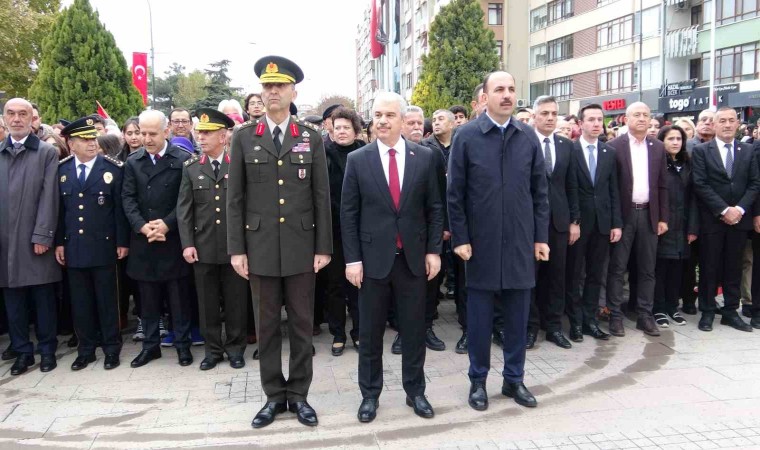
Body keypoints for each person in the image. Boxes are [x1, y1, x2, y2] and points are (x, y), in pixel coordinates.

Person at [227, 56, 332, 429]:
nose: (273, 91)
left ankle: (299, 395)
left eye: (280, 86)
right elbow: (235, 198)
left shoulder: (310, 136)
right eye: (267, 86)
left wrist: (323, 247)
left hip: (302, 246)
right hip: (260, 247)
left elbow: (321, 196)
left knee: (302, 325)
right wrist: (237, 250)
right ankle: (273, 396)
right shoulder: (244, 137)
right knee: (267, 326)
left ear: (293, 93)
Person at [448, 72, 550, 412]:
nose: (506, 95)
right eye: (499, 89)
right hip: (481, 244)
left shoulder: (527, 136)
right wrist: (460, 237)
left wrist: (540, 237)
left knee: (518, 318)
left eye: (511, 89)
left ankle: (514, 379)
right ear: (485, 97)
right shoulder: (467, 136)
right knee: (480, 320)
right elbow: (455, 193)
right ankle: (478, 381)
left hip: (520, 242)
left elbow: (540, 192)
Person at [341, 91, 443, 422]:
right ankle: (370, 395)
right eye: (377, 115)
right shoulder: (358, 160)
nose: (382, 121)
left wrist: (433, 251)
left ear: (402, 119)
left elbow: (434, 209)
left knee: (413, 331)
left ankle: (416, 391)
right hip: (372, 262)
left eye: (389, 115)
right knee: (370, 333)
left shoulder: (424, 157)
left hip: (412, 261)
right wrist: (352, 260)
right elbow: (348, 214)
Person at [55, 117, 129, 370]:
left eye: (93, 138)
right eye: (84, 139)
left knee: (107, 301)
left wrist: (122, 241)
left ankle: (111, 348)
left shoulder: (112, 169)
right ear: (71, 144)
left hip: (104, 246)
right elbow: (59, 212)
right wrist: (59, 243)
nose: (91, 143)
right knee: (80, 302)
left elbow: (119, 210)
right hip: (74, 246)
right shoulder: (62, 170)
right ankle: (85, 349)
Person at [177, 108, 248, 370]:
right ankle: (213, 350)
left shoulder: (238, 165)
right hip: (204, 246)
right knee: (207, 303)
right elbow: (184, 210)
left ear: (223, 136)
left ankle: (236, 348)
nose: (201, 138)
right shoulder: (192, 168)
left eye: (207, 133)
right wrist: (187, 243)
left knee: (236, 301)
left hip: (233, 247)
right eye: (199, 133)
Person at [122, 110, 194, 367]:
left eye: (152, 133)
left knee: (178, 299)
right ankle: (150, 346)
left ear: (166, 132)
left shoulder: (182, 159)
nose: (146, 139)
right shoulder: (133, 162)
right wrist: (142, 227)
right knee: (148, 300)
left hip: (172, 240)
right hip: (145, 240)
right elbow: (128, 198)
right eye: (143, 133)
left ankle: (183, 345)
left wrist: (167, 224)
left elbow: (186, 200)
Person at [0, 98, 62, 375]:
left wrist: (43, 235)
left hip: (34, 239)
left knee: (42, 298)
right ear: (4, 118)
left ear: (32, 118)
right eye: (11, 114)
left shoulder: (46, 152)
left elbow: (50, 197)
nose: (16, 119)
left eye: (22, 114)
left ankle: (47, 350)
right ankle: (22, 351)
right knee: (13, 300)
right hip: (5, 242)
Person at [605, 102, 669, 337]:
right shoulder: (614, 147)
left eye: (646, 115)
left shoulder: (658, 147)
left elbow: (662, 185)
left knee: (647, 268)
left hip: (649, 214)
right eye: (637, 115)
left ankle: (645, 315)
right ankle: (615, 315)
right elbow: (610, 187)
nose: (642, 118)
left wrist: (662, 217)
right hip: (624, 215)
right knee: (617, 267)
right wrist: (614, 221)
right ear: (626, 118)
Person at [692, 107, 759, 333]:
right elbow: (700, 183)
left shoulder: (748, 150)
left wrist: (739, 209)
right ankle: (708, 311)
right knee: (709, 266)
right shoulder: (702, 151)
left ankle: (730, 311)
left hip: (740, 219)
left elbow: (754, 183)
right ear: (714, 124)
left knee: (734, 266)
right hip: (712, 219)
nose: (728, 124)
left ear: (738, 124)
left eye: (732, 120)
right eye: (723, 121)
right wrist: (723, 210)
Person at [391, 104, 446, 354]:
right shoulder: (390, 154)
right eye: (410, 122)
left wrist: (442, 229)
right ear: (401, 124)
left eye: (419, 123)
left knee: (429, 284)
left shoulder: (431, 154)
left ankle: (426, 328)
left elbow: (440, 197)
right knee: (401, 288)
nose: (415, 127)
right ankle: (403, 332)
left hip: (426, 234)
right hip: (398, 237)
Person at [565, 104, 622, 342]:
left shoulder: (609, 152)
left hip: (603, 223)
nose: (597, 123)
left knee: (596, 274)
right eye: (591, 119)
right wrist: (574, 220)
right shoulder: (570, 150)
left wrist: (616, 223)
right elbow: (569, 188)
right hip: (579, 224)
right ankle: (575, 323)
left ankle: (590, 321)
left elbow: (613, 190)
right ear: (581, 124)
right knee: (574, 274)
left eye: (600, 119)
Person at [527, 95, 579, 350]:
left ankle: (554, 327)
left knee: (557, 276)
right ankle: (530, 327)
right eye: (544, 113)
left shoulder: (566, 145)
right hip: (530, 222)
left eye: (554, 114)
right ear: (534, 116)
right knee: (531, 277)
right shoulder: (524, 143)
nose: (549, 118)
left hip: (559, 221)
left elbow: (572, 185)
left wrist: (574, 220)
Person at [324, 107, 365, 356]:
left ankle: (359, 332)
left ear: (355, 130)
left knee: (359, 284)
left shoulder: (365, 152)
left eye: (346, 127)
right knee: (335, 284)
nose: (341, 131)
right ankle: (338, 334)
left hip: (361, 229)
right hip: (333, 230)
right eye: (337, 127)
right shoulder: (323, 154)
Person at [653, 125, 697, 328]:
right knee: (660, 269)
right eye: (670, 139)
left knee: (677, 269)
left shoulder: (688, 164)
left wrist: (693, 228)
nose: (675, 142)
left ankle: (672, 307)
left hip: (683, 225)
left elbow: (694, 198)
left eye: (679, 139)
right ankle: (658, 308)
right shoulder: (657, 163)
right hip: (663, 224)